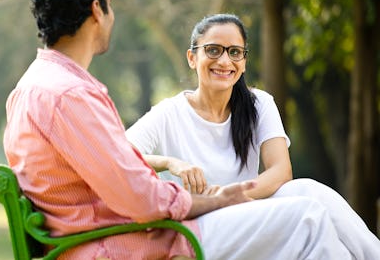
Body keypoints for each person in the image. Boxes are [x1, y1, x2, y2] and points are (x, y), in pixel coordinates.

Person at [3, 0, 353, 259]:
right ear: (98, 9)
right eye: (110, 6)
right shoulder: (70, 95)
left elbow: (122, 176)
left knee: (305, 203)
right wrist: (217, 199)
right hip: (133, 245)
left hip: (108, 239)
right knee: (308, 218)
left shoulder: (33, 88)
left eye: (235, 53)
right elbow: (142, 199)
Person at [126, 13, 380, 259]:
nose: (225, 61)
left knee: (310, 190)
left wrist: (228, 194)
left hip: (247, 210)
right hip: (199, 222)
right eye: (213, 50)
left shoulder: (260, 104)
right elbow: (119, 153)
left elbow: (281, 171)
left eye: (234, 52)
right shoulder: (169, 112)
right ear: (192, 58)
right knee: (308, 214)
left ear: (244, 61)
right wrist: (171, 163)